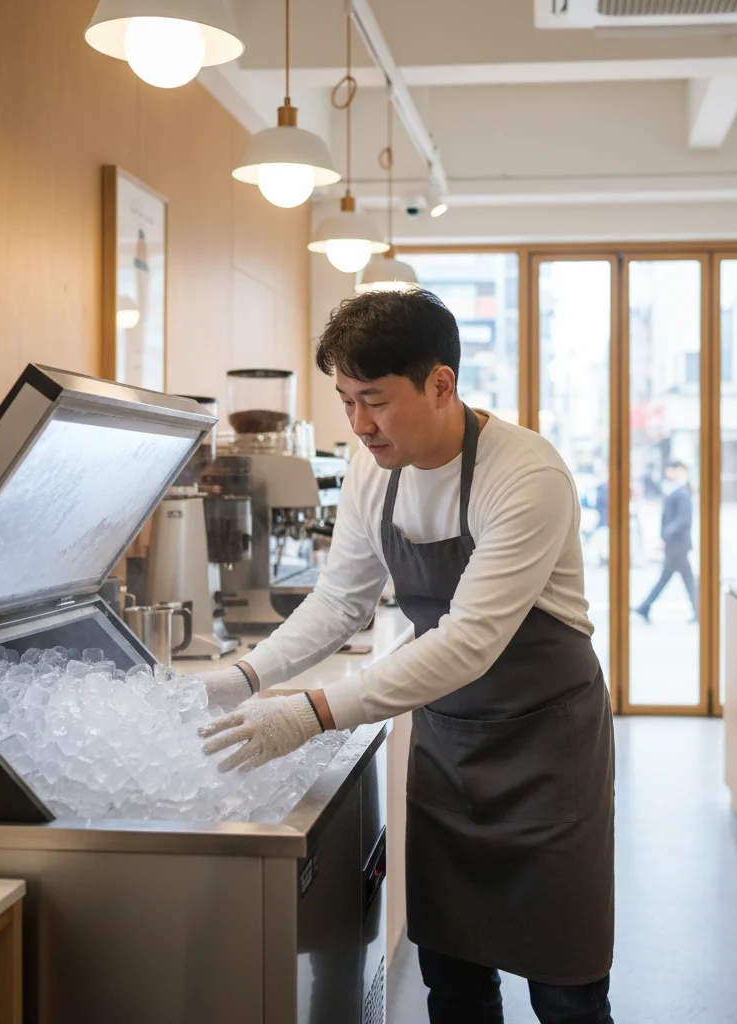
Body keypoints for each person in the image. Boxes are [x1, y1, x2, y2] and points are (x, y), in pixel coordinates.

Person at [198, 289, 615, 1024]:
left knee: (566, 991)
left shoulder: (526, 476)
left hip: (549, 752)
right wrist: (241, 677)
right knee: (452, 981)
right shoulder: (373, 469)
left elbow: (468, 640)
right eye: (345, 400)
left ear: (441, 385)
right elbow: (339, 603)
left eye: (375, 401)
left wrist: (312, 712)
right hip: (451, 744)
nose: (359, 424)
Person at [634, 459, 698, 624]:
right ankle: (645, 607)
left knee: (680, 579)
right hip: (676, 545)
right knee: (676, 578)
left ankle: (645, 606)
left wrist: (666, 537)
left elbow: (683, 520)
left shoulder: (681, 492)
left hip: (677, 544)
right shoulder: (676, 490)